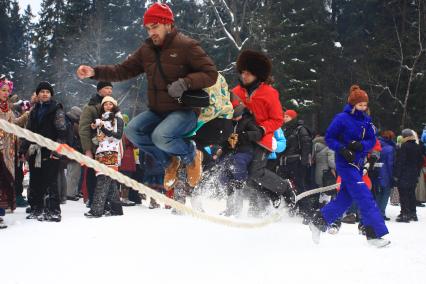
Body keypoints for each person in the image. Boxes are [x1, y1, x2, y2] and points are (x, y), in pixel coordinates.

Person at [76, 2, 218, 190]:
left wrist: (185, 82)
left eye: (155, 27)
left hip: (184, 111)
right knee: (132, 130)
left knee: (161, 136)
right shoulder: (147, 50)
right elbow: (122, 70)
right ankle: (169, 163)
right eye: (148, 29)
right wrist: (95, 72)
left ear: (168, 24)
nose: (152, 32)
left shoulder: (186, 45)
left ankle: (191, 155)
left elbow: (211, 73)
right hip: (159, 111)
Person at [309, 85, 390, 247]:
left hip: (358, 163)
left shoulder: (366, 120)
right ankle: (373, 234)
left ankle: (318, 221)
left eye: (365, 105)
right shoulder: (341, 118)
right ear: (353, 104)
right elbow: (330, 137)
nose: (363, 108)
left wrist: (362, 146)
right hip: (345, 163)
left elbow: (372, 140)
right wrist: (343, 149)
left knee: (346, 198)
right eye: (360, 105)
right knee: (364, 196)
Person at [231, 50, 294, 209]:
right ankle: (270, 192)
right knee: (242, 174)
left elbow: (278, 119)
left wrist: (261, 129)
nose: (244, 76)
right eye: (243, 72)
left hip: (262, 139)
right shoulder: (235, 92)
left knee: (256, 172)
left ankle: (284, 188)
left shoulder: (270, 93)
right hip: (243, 138)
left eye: (249, 73)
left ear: (258, 75)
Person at [20, 82, 67, 222]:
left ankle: (53, 211)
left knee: (51, 181)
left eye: (47, 91)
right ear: (38, 94)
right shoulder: (34, 111)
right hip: (35, 151)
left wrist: (58, 150)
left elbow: (62, 131)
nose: (45, 94)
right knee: (35, 181)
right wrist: (23, 149)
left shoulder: (56, 109)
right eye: (42, 91)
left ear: (51, 94)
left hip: (51, 149)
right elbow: (28, 132)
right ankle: (36, 209)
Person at [84, 96, 124, 217]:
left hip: (111, 152)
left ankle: (96, 210)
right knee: (110, 182)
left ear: (114, 106)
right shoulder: (101, 119)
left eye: (110, 104)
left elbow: (118, 136)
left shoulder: (118, 119)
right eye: (105, 104)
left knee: (102, 180)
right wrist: (97, 133)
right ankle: (116, 209)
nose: (107, 106)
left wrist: (102, 128)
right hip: (101, 152)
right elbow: (101, 139)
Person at [0, 79, 29, 228]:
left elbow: (13, 126)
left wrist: (25, 116)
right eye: (3, 90)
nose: (6, 93)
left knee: (4, 182)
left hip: (7, 152)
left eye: (7, 91)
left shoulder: (8, 110)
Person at [79, 81, 113, 206]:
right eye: (106, 88)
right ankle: (93, 201)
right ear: (99, 90)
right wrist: (87, 149)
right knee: (94, 174)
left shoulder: (113, 107)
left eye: (111, 88)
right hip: (95, 147)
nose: (109, 91)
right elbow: (83, 129)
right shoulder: (90, 107)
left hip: (110, 147)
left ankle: (106, 202)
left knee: (108, 175)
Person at [394, 129, 423, 222]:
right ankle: (413, 213)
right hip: (414, 174)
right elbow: (420, 161)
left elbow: (401, 162)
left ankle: (405, 214)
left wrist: (397, 174)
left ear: (404, 137)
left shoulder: (404, 146)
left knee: (403, 194)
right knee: (411, 194)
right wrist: (417, 172)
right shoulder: (417, 146)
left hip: (404, 174)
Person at [375, 130, 396, 220]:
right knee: (385, 193)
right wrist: (392, 177)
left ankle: (376, 212)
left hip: (376, 172)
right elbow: (390, 164)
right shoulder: (390, 148)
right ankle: (381, 213)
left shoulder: (376, 145)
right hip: (386, 173)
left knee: (378, 194)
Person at [65, 106, 83, 201]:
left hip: (72, 151)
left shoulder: (69, 122)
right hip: (75, 151)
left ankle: (72, 192)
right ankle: (70, 193)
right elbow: (80, 136)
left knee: (72, 173)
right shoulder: (75, 124)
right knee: (73, 174)